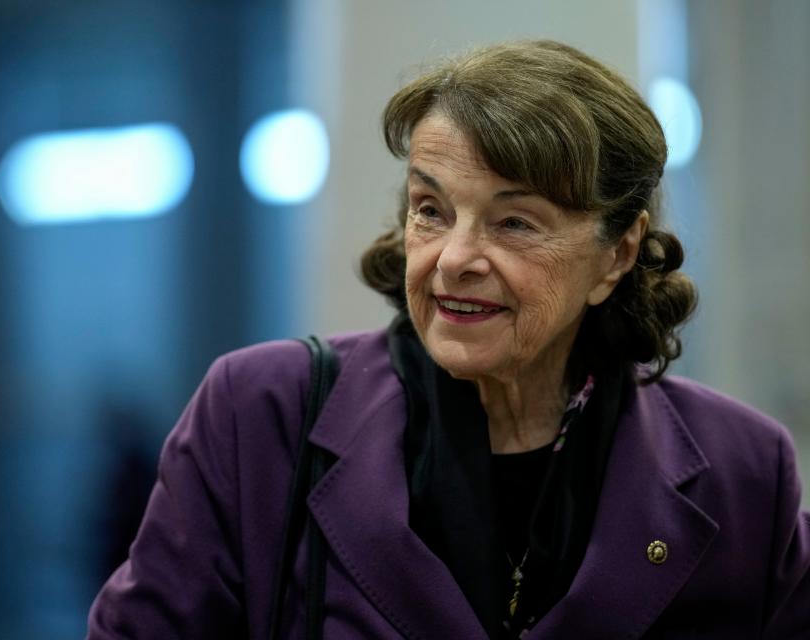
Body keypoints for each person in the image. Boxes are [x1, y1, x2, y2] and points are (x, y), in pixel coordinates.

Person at [86, 40, 810, 639]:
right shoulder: (261, 416)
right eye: (431, 209)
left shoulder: (744, 474)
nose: (454, 258)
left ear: (616, 255)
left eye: (513, 222)